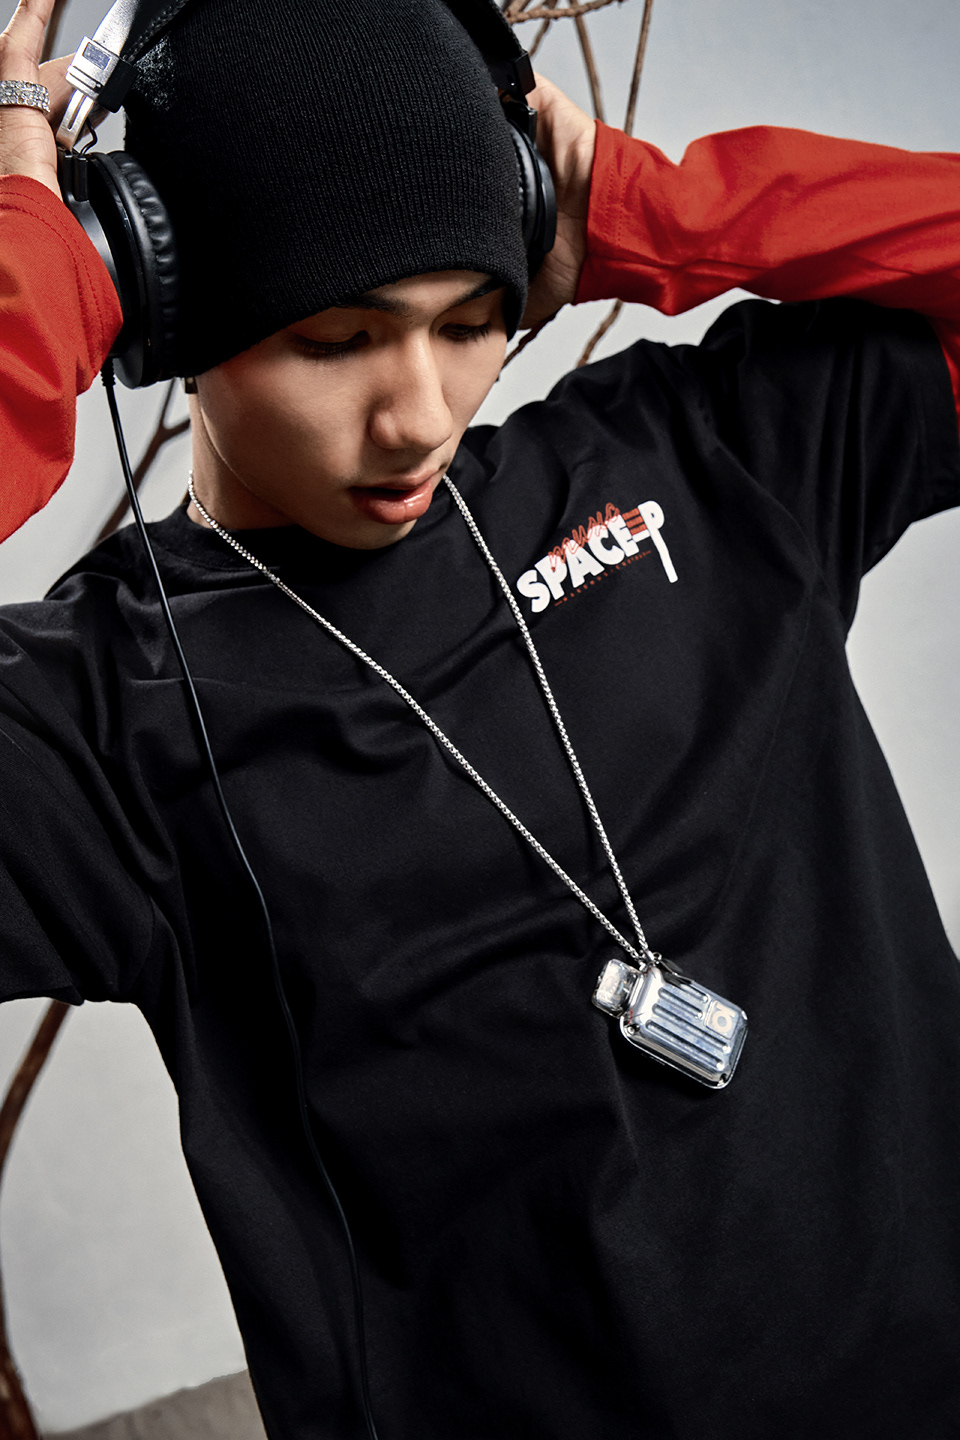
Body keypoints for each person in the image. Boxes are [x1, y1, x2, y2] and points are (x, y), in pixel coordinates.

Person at [2, 0, 960, 1435]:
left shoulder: (704, 457)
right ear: (167, 309)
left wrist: (653, 207)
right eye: (337, 338)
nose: (417, 413)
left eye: (468, 322)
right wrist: (35, 294)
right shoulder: (99, 719)